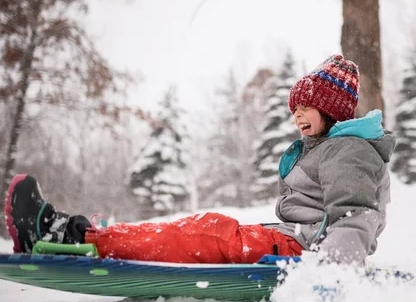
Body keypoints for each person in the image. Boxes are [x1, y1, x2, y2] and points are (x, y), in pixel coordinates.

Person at [4, 54, 395, 264]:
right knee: (199, 229)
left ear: (333, 111)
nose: (296, 115)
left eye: (307, 106)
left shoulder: (351, 150)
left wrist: (333, 273)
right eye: (294, 108)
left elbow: (355, 216)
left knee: (204, 233)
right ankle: (90, 233)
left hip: (304, 253)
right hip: (293, 243)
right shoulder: (335, 147)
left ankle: (67, 234)